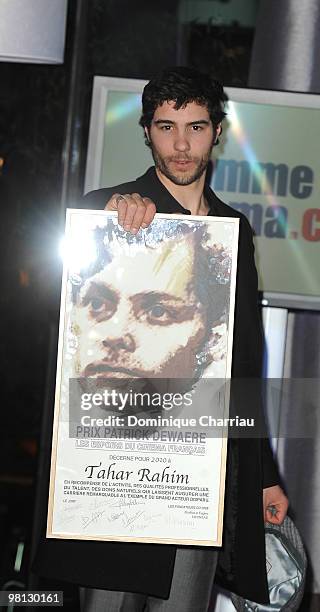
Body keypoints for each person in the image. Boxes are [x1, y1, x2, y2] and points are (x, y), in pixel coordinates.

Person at [33, 67, 288, 611]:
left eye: (195, 126)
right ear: (146, 131)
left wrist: (264, 475)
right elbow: (61, 307)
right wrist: (104, 217)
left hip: (194, 470)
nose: (180, 143)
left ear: (217, 131)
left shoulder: (232, 230)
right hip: (111, 470)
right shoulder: (110, 209)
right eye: (166, 126)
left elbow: (241, 361)